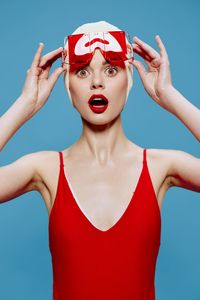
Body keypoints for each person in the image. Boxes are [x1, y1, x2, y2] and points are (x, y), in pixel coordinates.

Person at [0, 20, 200, 300]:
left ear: (128, 79)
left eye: (111, 70)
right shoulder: (44, 169)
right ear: (68, 86)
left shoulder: (160, 166)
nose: (97, 82)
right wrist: (24, 105)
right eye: (82, 72)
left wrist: (171, 97)